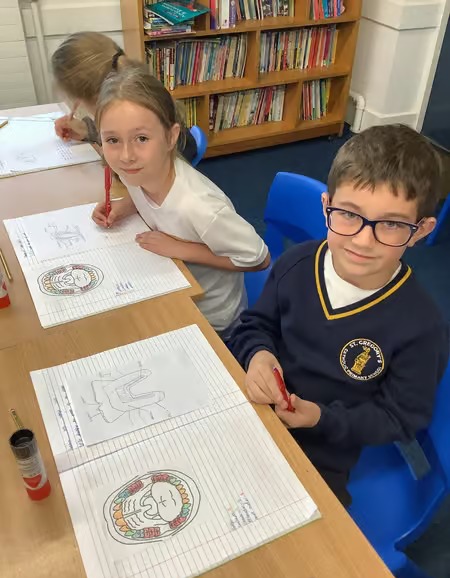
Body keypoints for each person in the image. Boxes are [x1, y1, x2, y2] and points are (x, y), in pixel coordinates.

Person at [229, 124, 449, 506]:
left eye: (392, 224)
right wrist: (259, 356)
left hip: (323, 450)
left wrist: (321, 418)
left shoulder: (420, 325)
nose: (363, 240)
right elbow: (255, 326)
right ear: (326, 206)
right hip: (254, 407)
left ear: (420, 231)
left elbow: (401, 418)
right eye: (348, 214)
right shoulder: (297, 263)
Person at [91, 65, 270, 337]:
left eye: (141, 138)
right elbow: (144, 197)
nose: (126, 155)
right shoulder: (136, 174)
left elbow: (259, 258)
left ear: (171, 137)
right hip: (170, 284)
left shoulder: (199, 207)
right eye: (113, 140)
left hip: (213, 319)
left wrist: (180, 248)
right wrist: (124, 206)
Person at [51, 31, 197, 163]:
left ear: (93, 98)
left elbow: (134, 165)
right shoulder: (132, 93)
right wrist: (86, 130)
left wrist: (106, 154)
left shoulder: (134, 111)